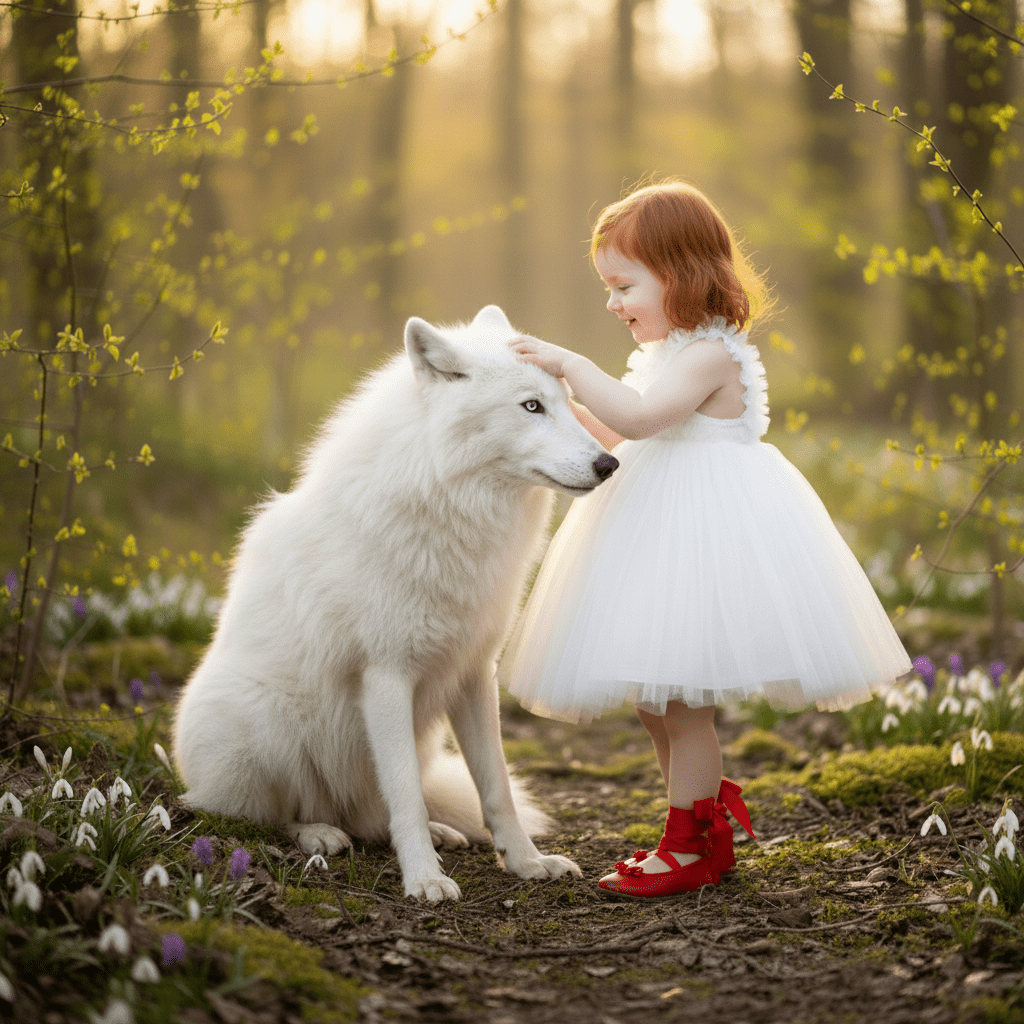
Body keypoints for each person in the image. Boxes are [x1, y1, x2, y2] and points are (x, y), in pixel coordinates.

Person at [499, 180, 912, 898]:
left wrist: (570, 364)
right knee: (655, 701)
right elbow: (615, 429)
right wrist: (557, 406)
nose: (612, 303)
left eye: (623, 285)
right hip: (655, 527)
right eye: (607, 287)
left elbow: (640, 419)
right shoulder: (669, 354)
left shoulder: (712, 354)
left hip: (703, 539)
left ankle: (687, 846)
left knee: (684, 705)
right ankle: (697, 825)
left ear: (681, 272)